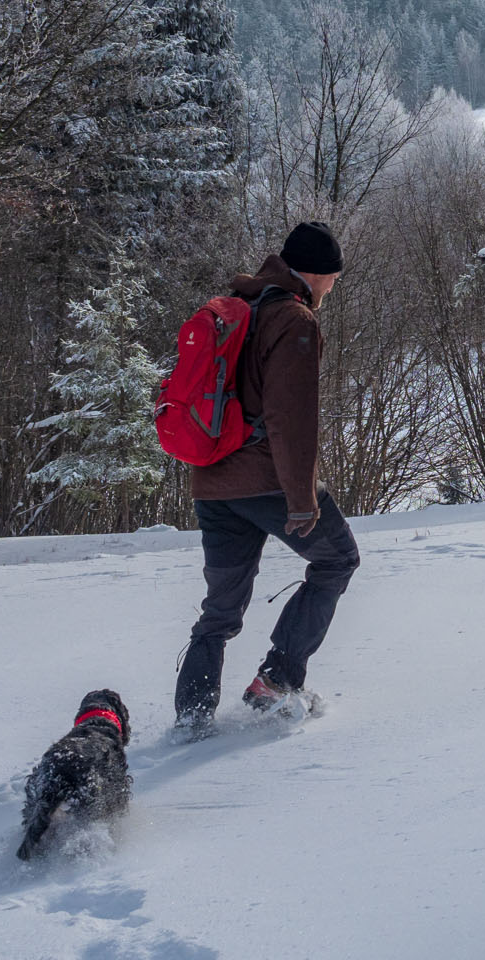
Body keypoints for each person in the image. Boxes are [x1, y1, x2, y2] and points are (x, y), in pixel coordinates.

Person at [173, 221, 360, 737]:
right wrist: (302, 498)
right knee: (338, 558)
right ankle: (277, 681)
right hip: (265, 480)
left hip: (211, 480)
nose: (332, 288)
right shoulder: (293, 319)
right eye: (333, 278)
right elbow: (291, 418)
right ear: (318, 274)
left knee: (219, 609)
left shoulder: (240, 308)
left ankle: (190, 721)